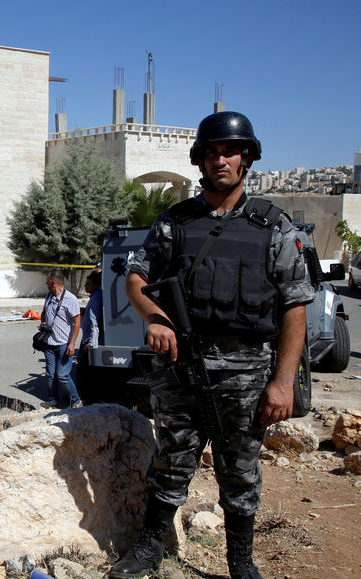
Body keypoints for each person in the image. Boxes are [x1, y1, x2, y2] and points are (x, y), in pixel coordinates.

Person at [112, 111, 314, 579]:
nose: (220, 159)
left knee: (240, 472)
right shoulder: (175, 222)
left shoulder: (272, 226)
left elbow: (295, 305)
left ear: (246, 158)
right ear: (200, 161)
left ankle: (240, 562)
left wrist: (283, 382)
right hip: (182, 364)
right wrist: (156, 319)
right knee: (171, 464)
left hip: (246, 371)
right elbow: (136, 279)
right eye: (211, 152)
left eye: (229, 151)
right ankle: (149, 550)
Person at [38, 270, 83, 410]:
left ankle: (76, 401)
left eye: (47, 281)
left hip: (64, 344)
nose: (46, 284)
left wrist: (72, 343)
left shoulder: (70, 299)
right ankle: (53, 400)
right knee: (50, 375)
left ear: (54, 282)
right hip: (49, 343)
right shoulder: (49, 297)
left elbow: (77, 322)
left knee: (62, 375)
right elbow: (44, 314)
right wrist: (43, 323)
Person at [76, 270, 103, 403]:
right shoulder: (95, 297)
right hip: (87, 339)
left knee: (84, 374)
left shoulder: (96, 298)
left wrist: (92, 342)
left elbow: (94, 322)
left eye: (88, 284)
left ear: (96, 284)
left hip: (89, 342)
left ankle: (87, 400)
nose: (85, 286)